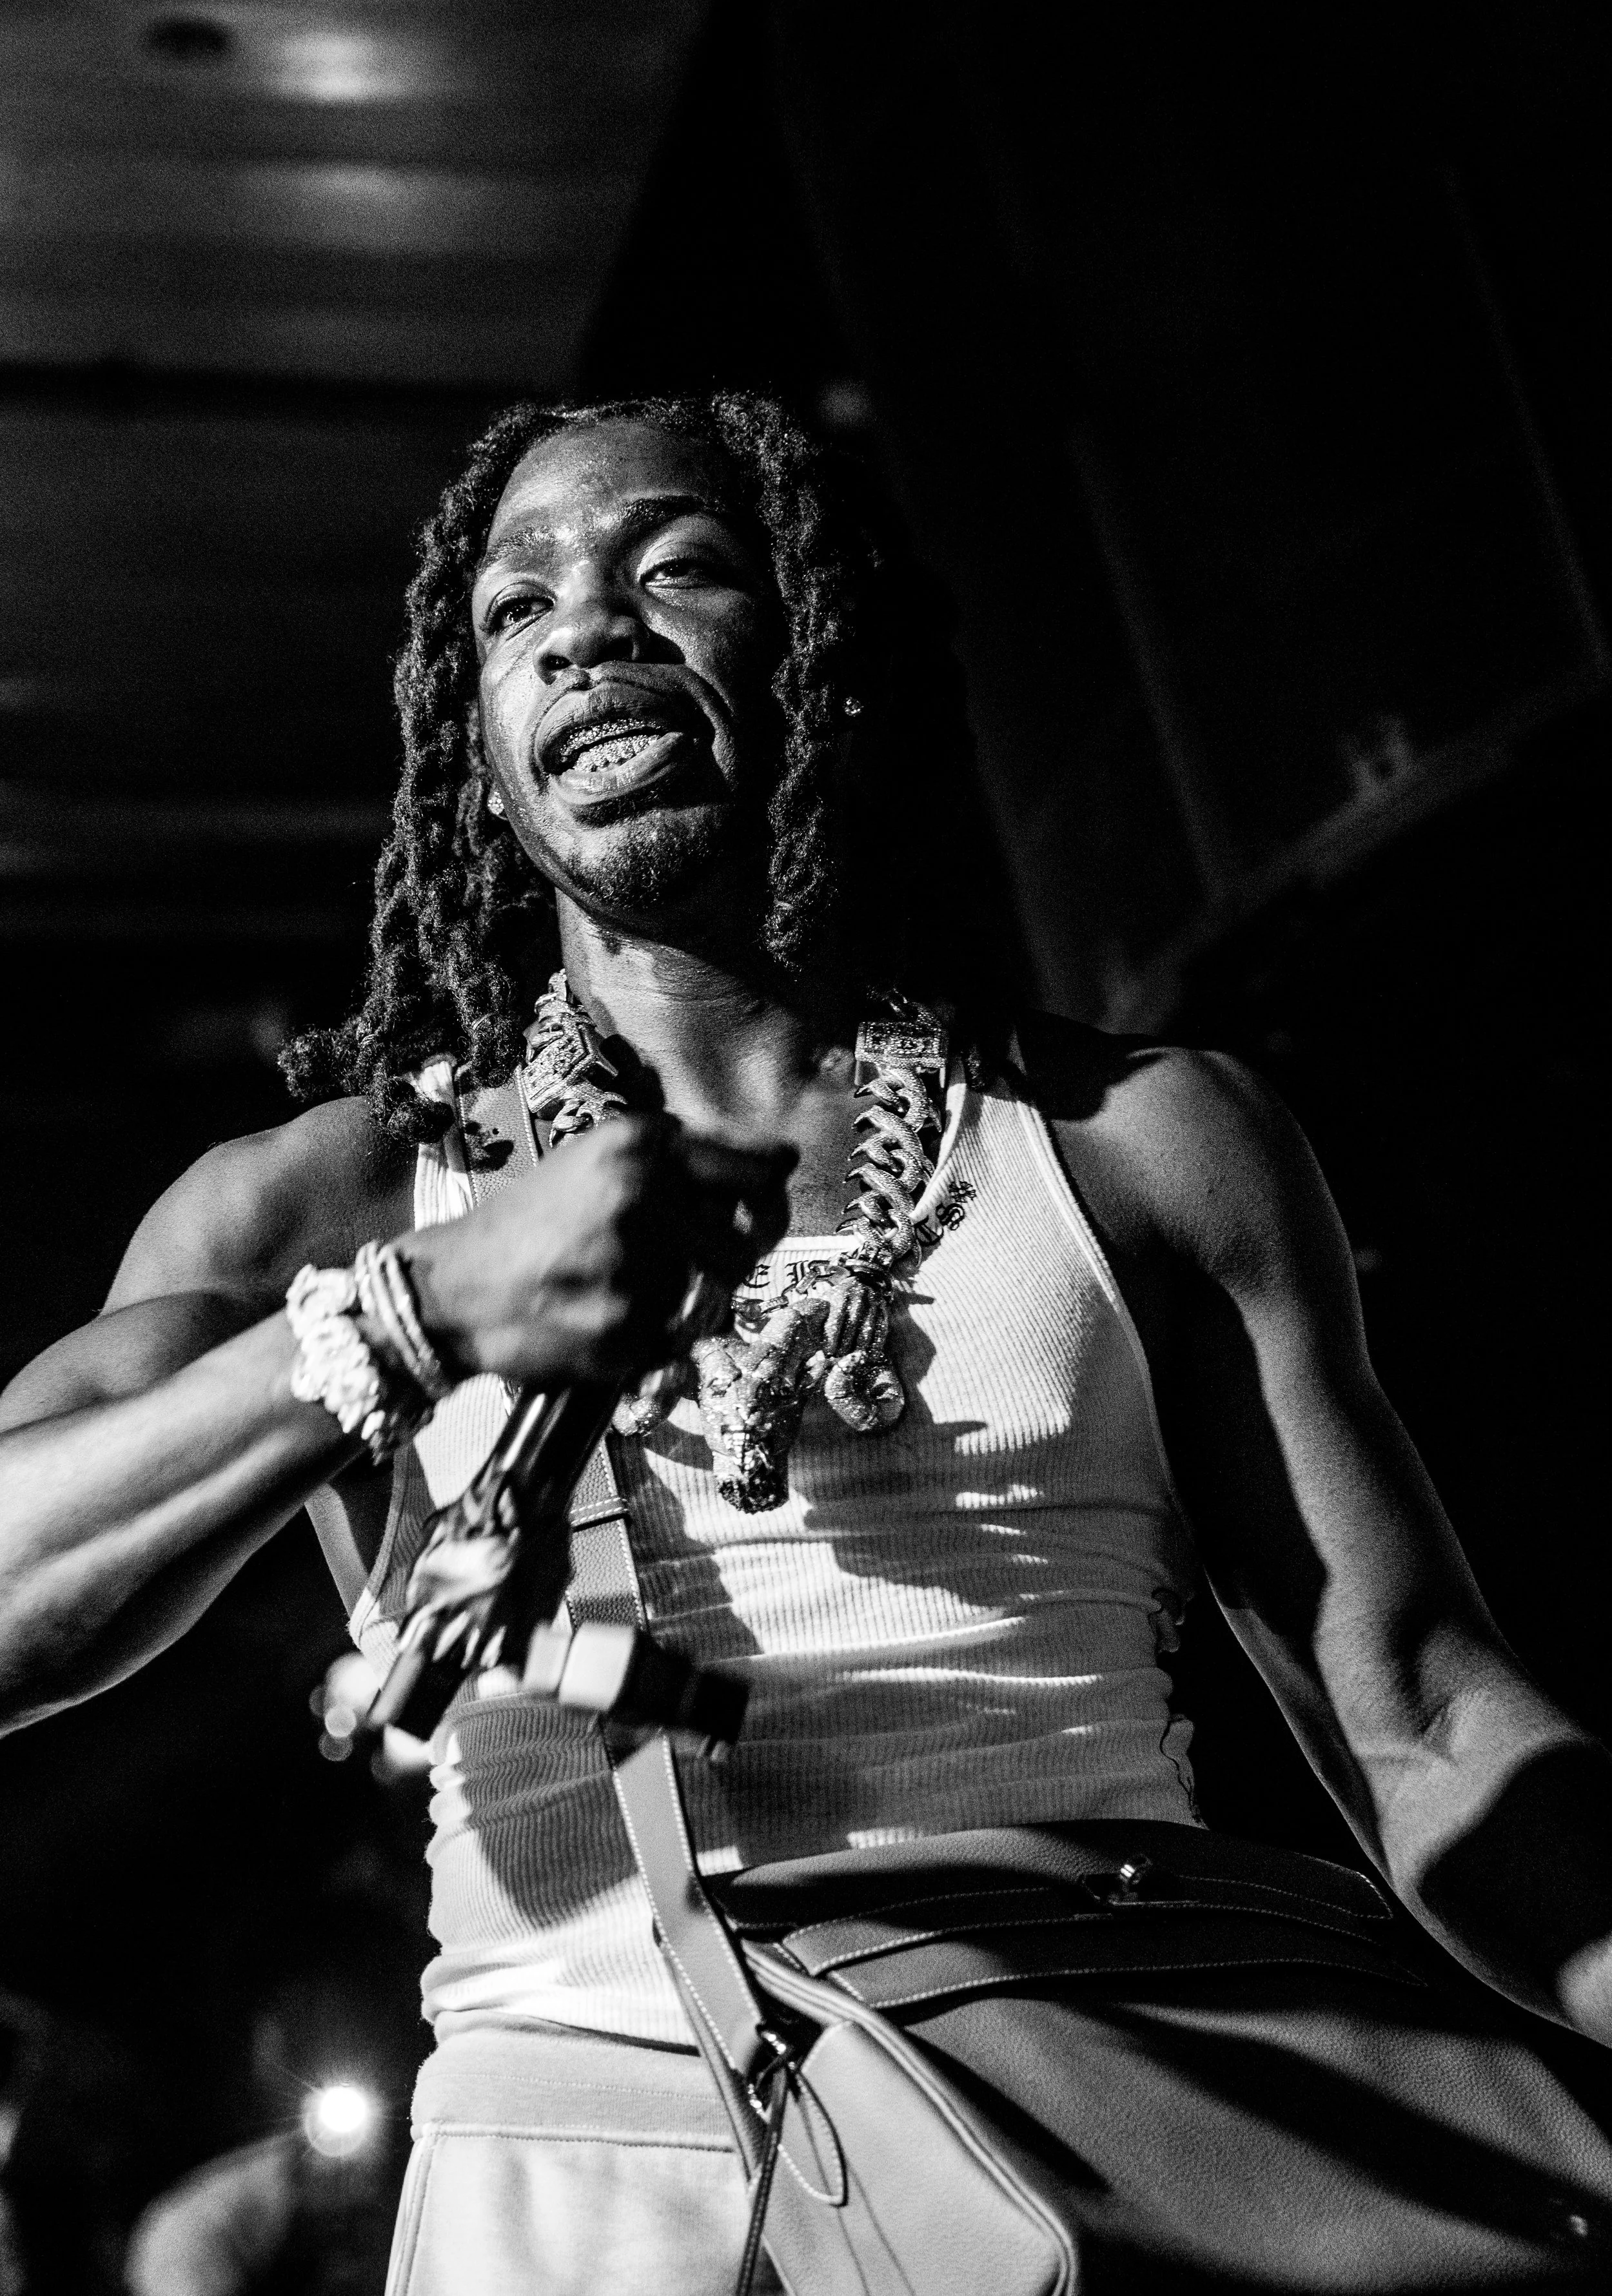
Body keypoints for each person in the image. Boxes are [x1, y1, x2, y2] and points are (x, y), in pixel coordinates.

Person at [0, 392, 1607, 2295]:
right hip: (597, 2190)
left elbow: (1421, 1713)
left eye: (671, 569)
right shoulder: (326, 1206)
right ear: (476, 751)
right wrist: (414, 1318)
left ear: (817, 650)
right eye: (517, 611)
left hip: (1098, 2141)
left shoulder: (1141, 1141)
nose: (586, 630)